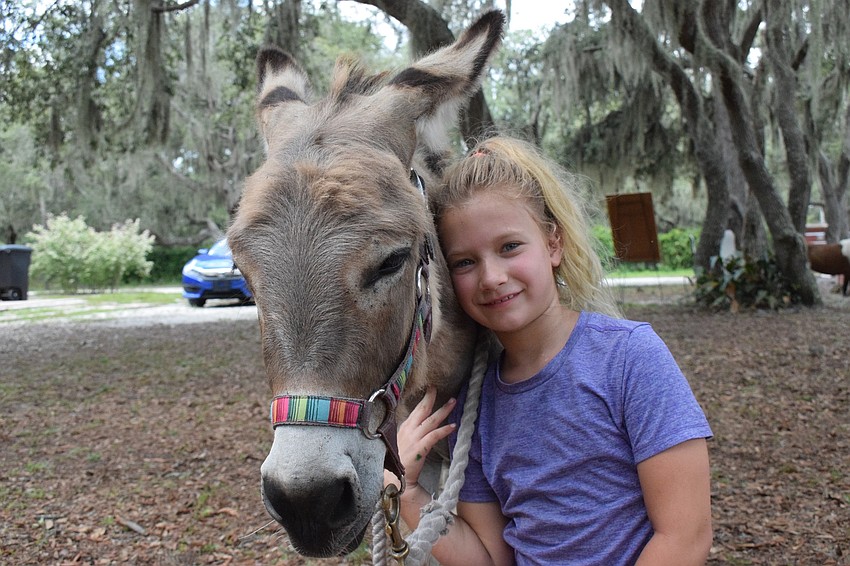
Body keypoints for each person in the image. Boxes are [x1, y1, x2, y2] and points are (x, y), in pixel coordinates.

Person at [389, 136, 713, 565]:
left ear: (553, 244)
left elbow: (685, 535)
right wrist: (408, 491)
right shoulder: (475, 404)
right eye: (465, 262)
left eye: (509, 247)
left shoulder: (629, 359)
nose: (491, 277)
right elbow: (493, 559)